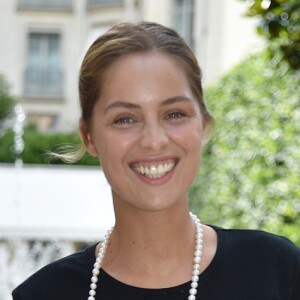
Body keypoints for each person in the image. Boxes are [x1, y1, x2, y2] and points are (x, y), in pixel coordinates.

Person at [12, 21, 300, 300]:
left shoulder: (277, 271)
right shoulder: (44, 293)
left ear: (203, 122)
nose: (154, 139)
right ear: (89, 137)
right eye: (125, 119)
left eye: (174, 114)